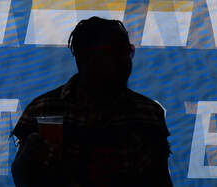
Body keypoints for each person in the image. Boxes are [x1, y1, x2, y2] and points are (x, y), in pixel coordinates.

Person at [11, 16, 172, 186]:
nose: (125, 60)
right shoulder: (43, 109)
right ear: (85, 58)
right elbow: (22, 177)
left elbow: (159, 179)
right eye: (114, 52)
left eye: (127, 51)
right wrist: (27, 159)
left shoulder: (148, 113)